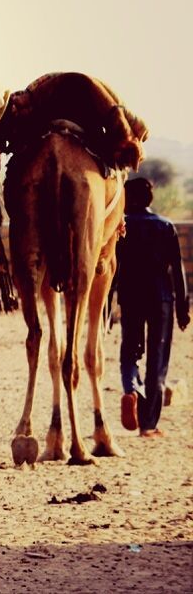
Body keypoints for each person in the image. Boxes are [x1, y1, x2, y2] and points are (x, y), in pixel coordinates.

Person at [113, 176, 189, 437]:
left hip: (131, 297)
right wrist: (183, 307)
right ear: (150, 199)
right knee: (157, 358)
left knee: (130, 350)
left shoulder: (121, 227)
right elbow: (177, 272)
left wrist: (108, 303)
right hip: (161, 299)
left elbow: (113, 269)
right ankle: (148, 425)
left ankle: (131, 388)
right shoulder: (165, 226)